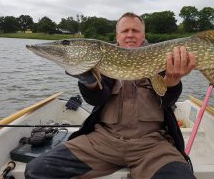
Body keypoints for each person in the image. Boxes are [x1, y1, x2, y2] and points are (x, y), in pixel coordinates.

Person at [25, 12, 197, 179]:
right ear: (117, 35)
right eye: (125, 31)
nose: (130, 35)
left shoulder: (164, 57)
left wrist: (173, 81)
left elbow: (168, 101)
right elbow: (96, 99)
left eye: (135, 30)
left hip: (152, 144)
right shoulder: (102, 57)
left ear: (143, 34)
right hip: (102, 141)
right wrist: (89, 82)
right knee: (37, 170)